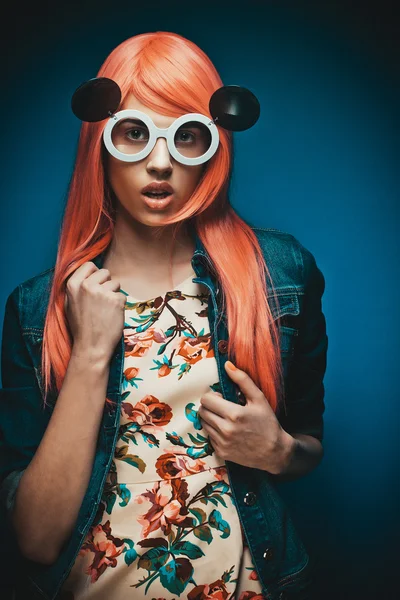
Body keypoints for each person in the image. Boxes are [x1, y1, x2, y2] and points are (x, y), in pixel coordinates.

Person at [0, 31, 328, 600]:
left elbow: (307, 440)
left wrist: (279, 453)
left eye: (187, 137)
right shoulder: (37, 310)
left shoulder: (281, 275)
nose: (159, 162)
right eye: (134, 133)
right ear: (100, 140)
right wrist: (91, 354)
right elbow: (35, 540)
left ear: (214, 144)